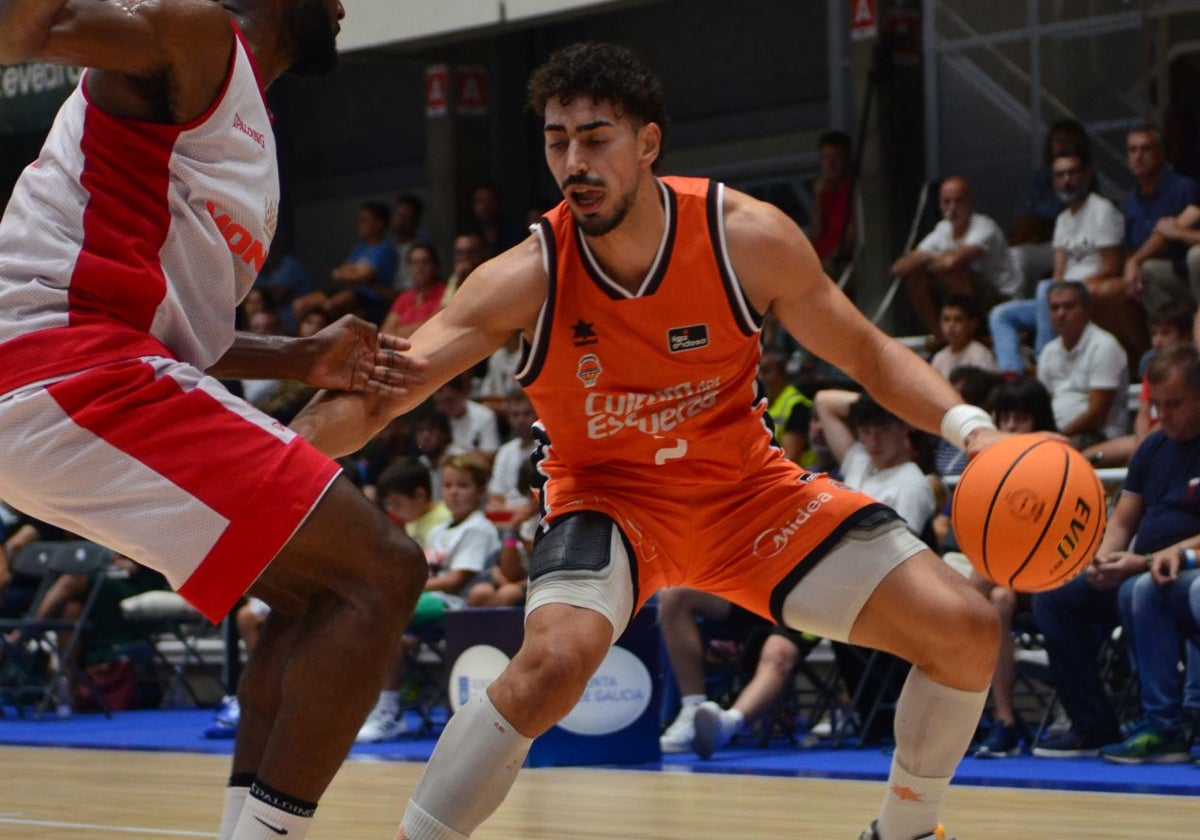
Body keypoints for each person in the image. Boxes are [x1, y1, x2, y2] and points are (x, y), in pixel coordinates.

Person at [292, 42, 1005, 840]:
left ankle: (904, 833)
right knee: (550, 669)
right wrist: (264, 465)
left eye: (595, 139)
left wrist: (972, 430)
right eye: (557, 141)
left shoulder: (744, 236)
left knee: (967, 632)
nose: (574, 162)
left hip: (747, 497)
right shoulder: (528, 273)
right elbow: (387, 394)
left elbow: (869, 353)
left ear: (649, 144)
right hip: (606, 503)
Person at [0, 5, 428, 840]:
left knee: (317, 598)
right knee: (382, 571)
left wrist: (301, 354)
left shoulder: (241, 122)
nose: (345, 4)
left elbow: (173, 325)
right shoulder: (193, 34)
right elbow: (22, 34)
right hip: (67, 371)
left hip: (83, 375)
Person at [1095, 344, 1200, 764]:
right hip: (1158, 567)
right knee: (1082, 596)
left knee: (1150, 589)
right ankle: (1148, 724)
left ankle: (1173, 718)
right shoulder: (1152, 447)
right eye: (1157, 405)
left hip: (1183, 567)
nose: (1164, 414)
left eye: (1175, 404)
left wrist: (1154, 557)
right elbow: (1122, 521)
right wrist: (1102, 560)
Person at [358, 454, 500, 743]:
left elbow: (454, 580)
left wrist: (407, 589)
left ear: (480, 491)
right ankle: (385, 709)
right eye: (448, 485)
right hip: (429, 606)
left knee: (380, 613)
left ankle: (387, 710)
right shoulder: (437, 530)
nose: (454, 492)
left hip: (456, 607)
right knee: (386, 633)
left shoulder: (478, 527)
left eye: (463, 485)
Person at [964, 377, 1058, 759]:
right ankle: (1002, 719)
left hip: (1048, 571)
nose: (1013, 429)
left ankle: (957, 604)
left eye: (1022, 419)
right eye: (1005, 420)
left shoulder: (1056, 461)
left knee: (961, 603)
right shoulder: (987, 466)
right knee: (999, 598)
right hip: (998, 576)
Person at [989, 147, 1126, 376]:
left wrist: (1069, 290)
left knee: (1047, 288)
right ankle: (1012, 377)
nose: (1067, 181)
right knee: (1001, 315)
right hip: (1061, 299)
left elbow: (1113, 266)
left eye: (1072, 173)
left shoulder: (1102, 210)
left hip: (1089, 292)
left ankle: (1044, 367)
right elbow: (1059, 271)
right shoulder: (1062, 219)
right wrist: (1059, 292)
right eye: (1060, 175)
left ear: (1087, 175)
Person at [891, 176, 1021, 343]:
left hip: (1001, 298)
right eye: (947, 202)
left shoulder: (984, 227)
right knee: (915, 276)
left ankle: (969, 338)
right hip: (969, 295)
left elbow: (951, 263)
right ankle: (942, 339)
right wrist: (929, 258)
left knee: (955, 272)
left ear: (970, 202)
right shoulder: (942, 229)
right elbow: (899, 268)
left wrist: (928, 259)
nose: (952, 208)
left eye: (959, 201)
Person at [1082, 298, 1196, 468]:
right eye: (1154, 333)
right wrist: (1142, 443)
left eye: (1166, 333)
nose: (1157, 340)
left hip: (1172, 431)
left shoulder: (1193, 370)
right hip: (1142, 437)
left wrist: (1145, 446)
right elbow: (1143, 412)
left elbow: (1170, 414)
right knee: (1083, 458)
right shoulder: (1151, 367)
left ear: (1186, 336)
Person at [1037, 281, 1130, 449]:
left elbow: (1097, 415)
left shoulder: (1104, 346)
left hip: (1098, 436)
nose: (1061, 314)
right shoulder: (1048, 351)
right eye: (1054, 308)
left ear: (1087, 310)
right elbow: (1042, 404)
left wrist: (1057, 436)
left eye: (1069, 306)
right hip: (1059, 434)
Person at [1121, 125, 1200, 314]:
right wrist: (1131, 266)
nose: (1138, 156)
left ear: (1160, 153)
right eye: (1133, 150)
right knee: (1145, 271)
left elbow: (1164, 238)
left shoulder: (1184, 188)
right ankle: (1168, 334)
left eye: (1145, 149)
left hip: (1189, 273)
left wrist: (1135, 262)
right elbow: (1131, 249)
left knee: (1195, 256)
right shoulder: (1130, 200)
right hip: (1164, 276)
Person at [809, 129, 856, 277]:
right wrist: (819, 200)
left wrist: (827, 260)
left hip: (839, 262)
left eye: (837, 158)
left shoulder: (854, 192)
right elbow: (815, 234)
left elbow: (850, 239)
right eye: (826, 158)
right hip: (819, 258)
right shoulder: (824, 191)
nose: (831, 165)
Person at [380, 242, 448, 338]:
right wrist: (413, 329)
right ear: (409, 268)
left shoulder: (446, 293)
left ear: (435, 265)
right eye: (415, 263)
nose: (420, 267)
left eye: (425, 262)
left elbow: (432, 328)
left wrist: (400, 331)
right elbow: (385, 332)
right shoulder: (404, 297)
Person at [759, 349, 812, 464]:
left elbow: (790, 459)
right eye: (757, 371)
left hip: (799, 475)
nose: (760, 377)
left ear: (783, 372)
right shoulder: (759, 402)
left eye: (767, 371)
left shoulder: (797, 405)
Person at [928, 297, 997, 380]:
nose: (951, 326)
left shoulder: (979, 355)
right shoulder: (939, 358)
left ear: (972, 324)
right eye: (946, 319)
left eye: (958, 320)